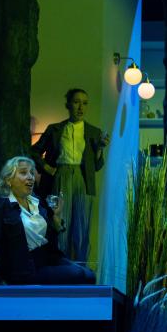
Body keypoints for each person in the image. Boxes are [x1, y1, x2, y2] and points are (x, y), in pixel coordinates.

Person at [0, 156, 95, 285]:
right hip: (25, 268)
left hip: (49, 258)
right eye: (23, 173)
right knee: (78, 274)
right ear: (9, 180)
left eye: (32, 173)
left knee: (90, 275)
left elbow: (48, 239)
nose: (30, 177)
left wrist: (56, 221)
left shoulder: (37, 203)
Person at [30, 88, 110, 262]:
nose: (81, 107)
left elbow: (97, 166)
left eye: (85, 103)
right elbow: (34, 151)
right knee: (60, 221)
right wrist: (47, 168)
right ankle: (60, 264)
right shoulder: (55, 129)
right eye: (76, 102)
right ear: (68, 105)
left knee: (82, 226)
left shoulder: (94, 132)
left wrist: (100, 149)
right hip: (61, 175)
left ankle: (80, 266)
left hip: (84, 178)